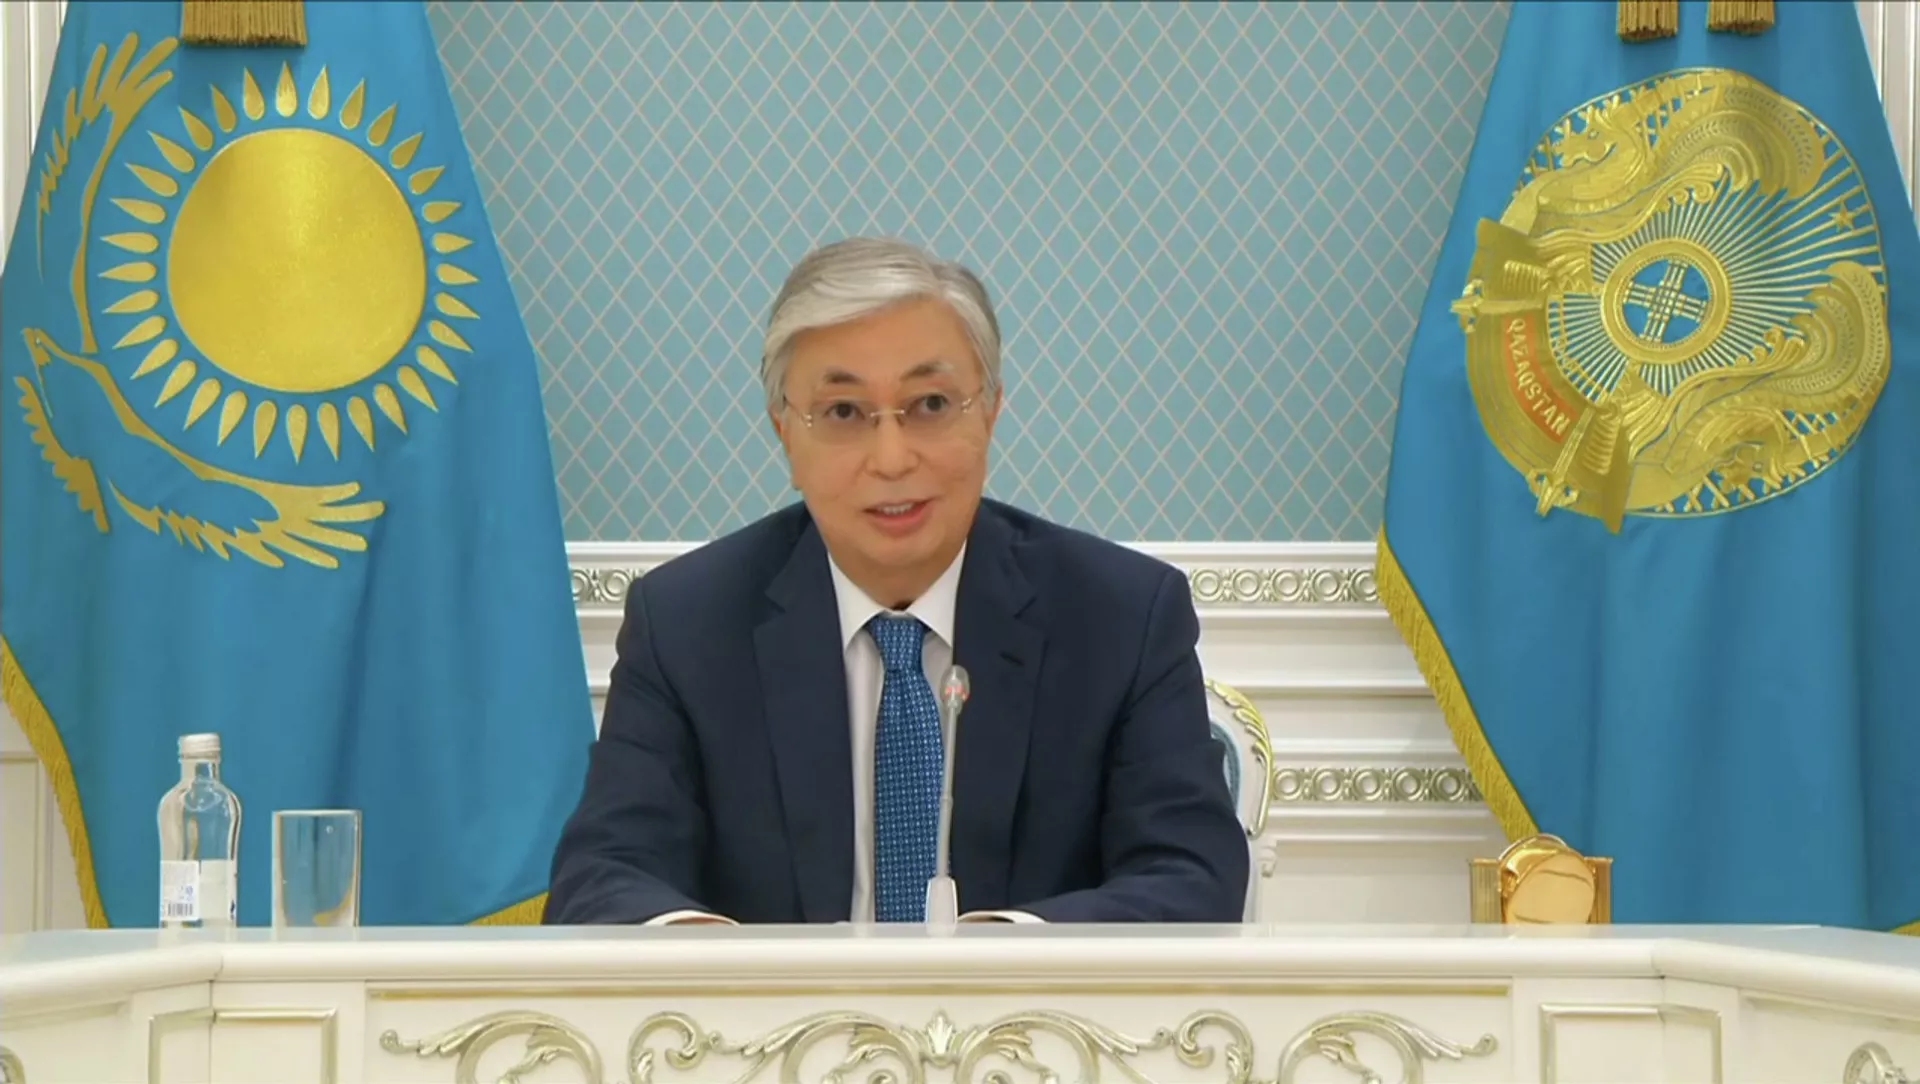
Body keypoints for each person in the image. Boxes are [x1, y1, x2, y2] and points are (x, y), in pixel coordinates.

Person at [543, 237, 1249, 925]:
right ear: (785, 433)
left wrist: (999, 957)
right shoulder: (686, 624)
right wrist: (713, 963)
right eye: (844, 413)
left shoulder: (1121, 617)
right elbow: (601, 879)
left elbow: (1191, 879)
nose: (891, 458)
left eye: (931, 405)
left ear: (992, 413)